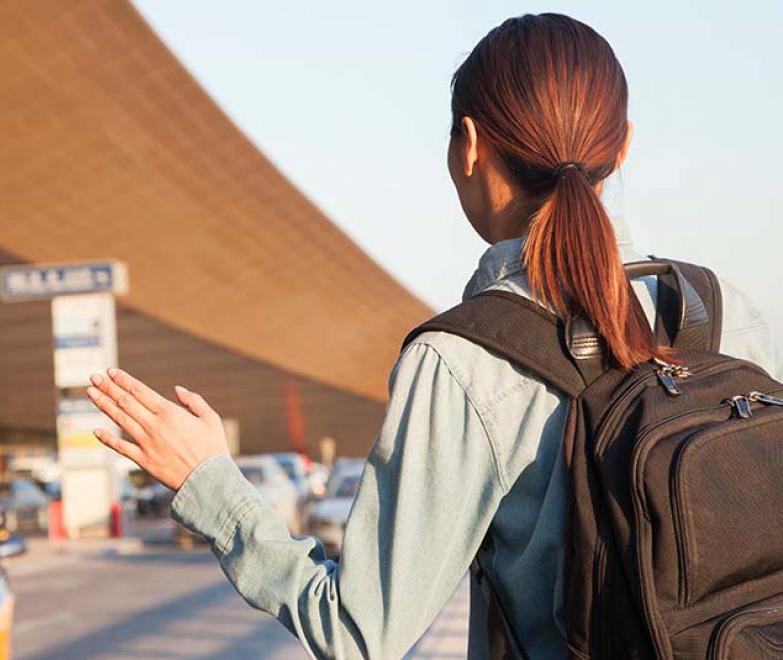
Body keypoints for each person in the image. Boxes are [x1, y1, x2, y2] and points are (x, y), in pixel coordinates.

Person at [83, 13, 780, 659]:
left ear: (470, 147)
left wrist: (210, 485)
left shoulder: (464, 361)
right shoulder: (725, 311)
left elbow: (361, 630)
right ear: (621, 148)